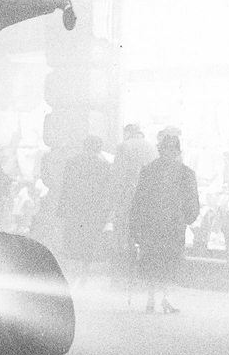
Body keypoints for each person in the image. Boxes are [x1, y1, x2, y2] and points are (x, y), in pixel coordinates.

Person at [128, 126, 201, 314]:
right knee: (168, 262)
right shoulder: (186, 173)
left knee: (154, 260)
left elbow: (138, 200)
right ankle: (163, 298)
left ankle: (153, 297)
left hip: (154, 226)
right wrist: (187, 218)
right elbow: (192, 201)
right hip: (172, 226)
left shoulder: (149, 170)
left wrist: (136, 225)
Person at [56, 135, 111, 281]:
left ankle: (74, 269)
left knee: (74, 236)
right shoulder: (104, 165)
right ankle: (85, 269)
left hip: (75, 207)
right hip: (94, 208)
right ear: (98, 147)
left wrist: (62, 208)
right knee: (90, 237)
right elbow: (106, 190)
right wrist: (107, 210)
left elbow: (66, 187)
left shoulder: (72, 162)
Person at [109, 123, 157, 290]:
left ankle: (123, 276)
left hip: (128, 198)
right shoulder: (152, 148)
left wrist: (115, 200)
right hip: (148, 200)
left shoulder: (124, 147)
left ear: (128, 133)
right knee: (143, 237)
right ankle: (141, 277)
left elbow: (117, 176)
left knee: (124, 237)